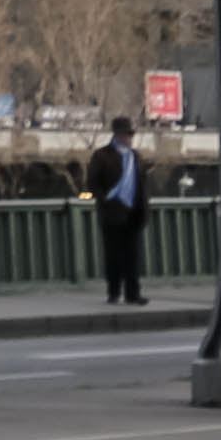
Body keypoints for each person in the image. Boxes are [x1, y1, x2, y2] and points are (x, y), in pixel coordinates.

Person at [84, 113, 148, 306]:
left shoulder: (135, 156)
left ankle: (133, 294)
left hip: (133, 212)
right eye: (125, 135)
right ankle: (113, 292)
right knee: (113, 255)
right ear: (116, 135)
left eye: (130, 135)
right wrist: (105, 200)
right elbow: (93, 183)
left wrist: (143, 208)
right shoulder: (102, 155)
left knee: (133, 256)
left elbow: (142, 184)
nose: (128, 138)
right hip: (112, 213)